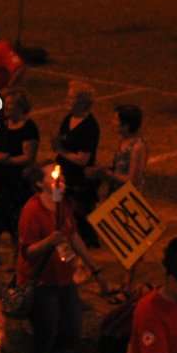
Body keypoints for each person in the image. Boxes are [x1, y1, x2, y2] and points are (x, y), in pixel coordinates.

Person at [16, 164, 113, 353]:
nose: (60, 179)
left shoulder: (62, 204)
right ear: (40, 183)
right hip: (40, 282)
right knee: (45, 331)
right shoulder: (32, 210)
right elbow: (27, 251)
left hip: (63, 280)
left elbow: (73, 236)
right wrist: (48, 242)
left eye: (60, 175)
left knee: (71, 331)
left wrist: (94, 269)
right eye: (52, 175)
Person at [0, 87, 39, 265]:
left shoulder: (29, 128)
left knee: (16, 220)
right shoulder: (1, 123)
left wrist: (8, 161)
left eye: (10, 104)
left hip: (16, 181)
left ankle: (16, 258)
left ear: (21, 107)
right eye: (5, 103)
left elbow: (29, 157)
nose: (6, 107)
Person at [53, 81, 103, 242]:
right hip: (63, 174)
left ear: (82, 102)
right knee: (58, 208)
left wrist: (60, 150)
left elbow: (82, 160)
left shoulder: (89, 126)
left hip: (78, 180)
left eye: (71, 97)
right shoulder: (69, 118)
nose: (67, 100)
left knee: (78, 215)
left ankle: (84, 246)